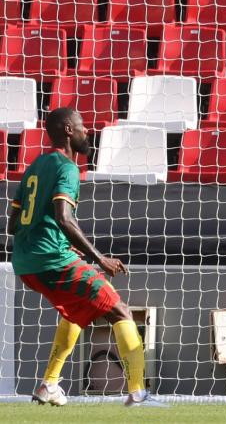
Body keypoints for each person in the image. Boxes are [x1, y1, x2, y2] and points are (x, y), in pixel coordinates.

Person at [6, 107, 166, 407]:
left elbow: (13, 224)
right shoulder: (67, 169)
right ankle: (137, 394)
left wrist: (53, 238)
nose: (86, 132)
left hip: (25, 264)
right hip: (52, 260)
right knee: (120, 310)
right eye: (81, 126)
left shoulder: (35, 166)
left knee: (76, 312)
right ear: (68, 130)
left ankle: (49, 385)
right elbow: (64, 218)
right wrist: (99, 258)